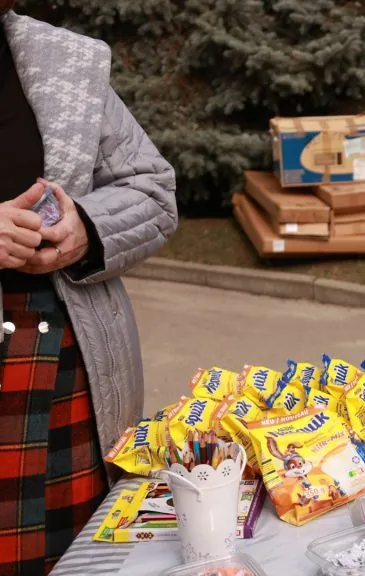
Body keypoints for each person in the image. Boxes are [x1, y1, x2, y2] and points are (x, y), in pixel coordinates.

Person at [0, 7, 178, 575]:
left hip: (59, 363)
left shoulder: (62, 58)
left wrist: (87, 226)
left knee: (81, 560)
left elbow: (152, 188)